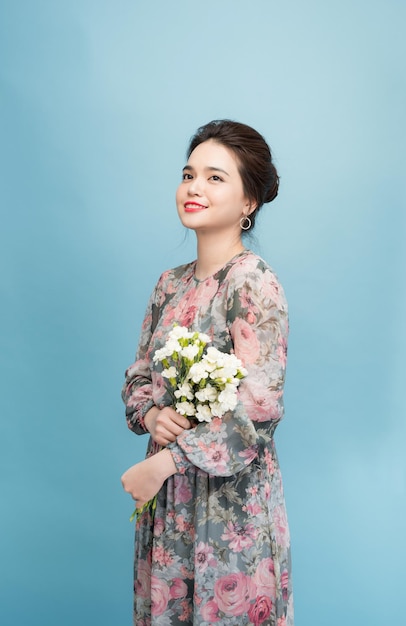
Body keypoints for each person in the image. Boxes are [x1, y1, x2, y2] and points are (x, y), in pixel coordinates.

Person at [121, 120, 293, 625]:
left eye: (215, 177)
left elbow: (258, 411)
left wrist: (166, 463)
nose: (195, 187)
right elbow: (137, 377)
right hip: (166, 503)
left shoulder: (253, 282)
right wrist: (151, 415)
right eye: (189, 174)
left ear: (249, 202)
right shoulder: (168, 285)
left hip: (228, 508)